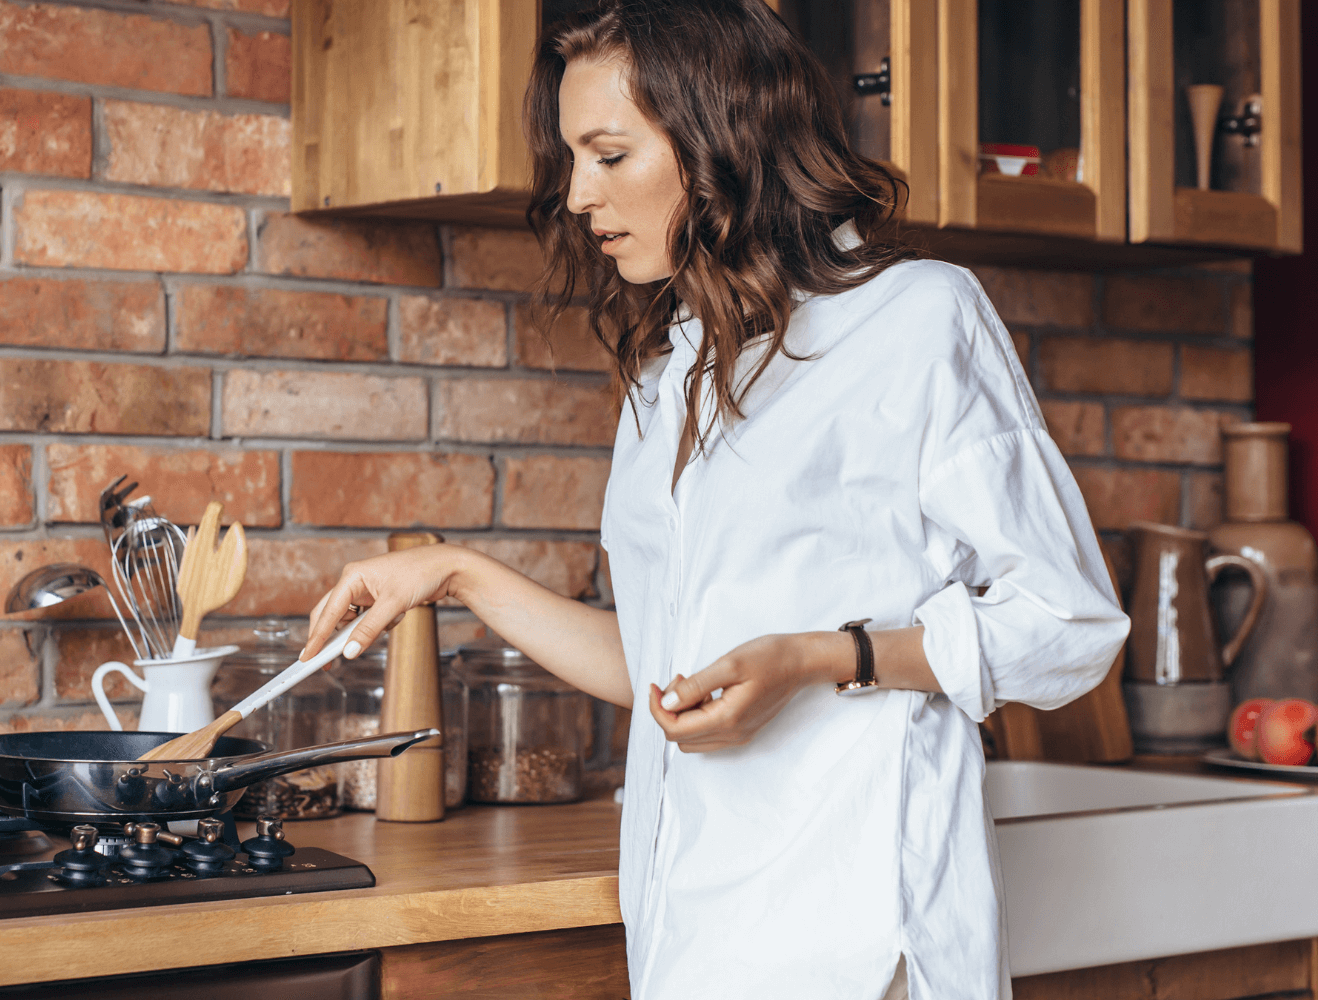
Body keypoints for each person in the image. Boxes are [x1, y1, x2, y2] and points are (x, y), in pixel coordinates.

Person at [299, 1, 1129, 996]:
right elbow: (663, 664)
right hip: (692, 930)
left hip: (860, 933)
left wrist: (824, 657)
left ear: (717, 146)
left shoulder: (916, 320)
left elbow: (1067, 623)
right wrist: (456, 573)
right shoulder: (669, 373)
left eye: (607, 155)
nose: (576, 195)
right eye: (571, 160)